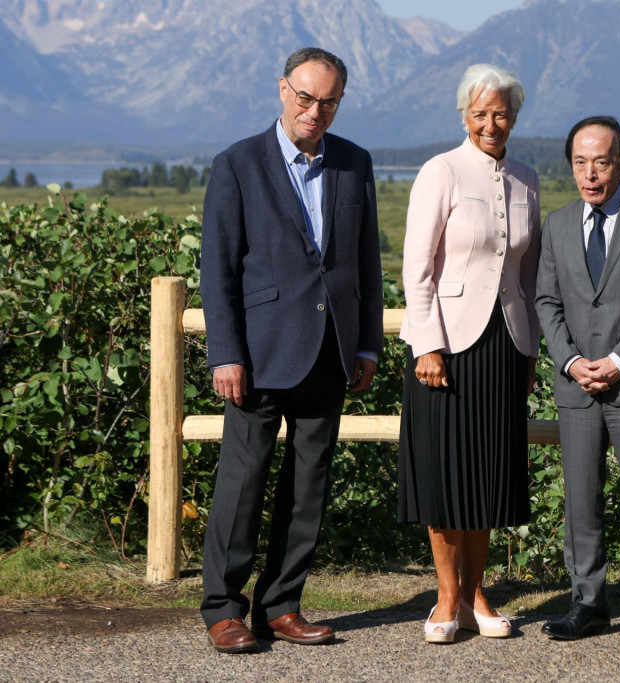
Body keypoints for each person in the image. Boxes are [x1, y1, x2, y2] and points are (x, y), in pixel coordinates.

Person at [199, 47, 383, 654]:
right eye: (305, 98)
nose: (315, 111)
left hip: (330, 351)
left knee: (309, 487)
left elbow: (364, 263)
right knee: (242, 483)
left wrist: (367, 345)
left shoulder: (355, 162)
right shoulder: (237, 164)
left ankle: (281, 605)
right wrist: (225, 352)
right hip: (257, 354)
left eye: (328, 102)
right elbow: (218, 270)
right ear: (282, 90)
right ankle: (224, 610)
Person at [397, 63, 540, 644]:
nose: (491, 123)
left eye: (500, 112)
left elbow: (528, 278)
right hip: (447, 346)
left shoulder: (528, 177)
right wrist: (427, 343)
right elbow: (417, 265)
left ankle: (480, 594)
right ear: (464, 116)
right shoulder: (442, 171)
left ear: (514, 116)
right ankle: (446, 597)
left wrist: (529, 349)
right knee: (443, 473)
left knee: (488, 474)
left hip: (506, 343)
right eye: (480, 113)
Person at [535, 116, 620, 647]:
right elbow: (547, 302)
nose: (590, 174)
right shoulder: (558, 223)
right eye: (580, 162)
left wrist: (618, 360)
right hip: (575, 386)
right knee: (581, 499)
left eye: (602, 161)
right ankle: (588, 601)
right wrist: (570, 361)